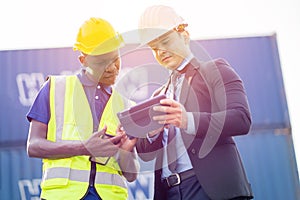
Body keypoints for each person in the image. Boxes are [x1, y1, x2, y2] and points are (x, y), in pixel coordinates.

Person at [136, 5, 253, 200]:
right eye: (154, 48)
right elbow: (145, 151)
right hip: (169, 192)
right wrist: (149, 133)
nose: (161, 51)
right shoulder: (158, 94)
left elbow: (241, 118)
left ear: (184, 35)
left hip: (210, 189)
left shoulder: (215, 69)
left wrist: (188, 120)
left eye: (165, 41)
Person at [26, 17, 139, 200]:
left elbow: (132, 175)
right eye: (102, 62)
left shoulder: (126, 106)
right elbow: (33, 146)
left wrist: (124, 153)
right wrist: (83, 148)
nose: (112, 68)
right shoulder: (55, 89)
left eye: (115, 59)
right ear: (83, 60)